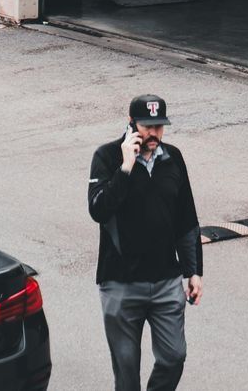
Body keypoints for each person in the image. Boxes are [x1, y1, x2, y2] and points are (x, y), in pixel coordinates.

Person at [87, 92, 204, 391]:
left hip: (166, 281)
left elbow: (186, 218)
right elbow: (98, 209)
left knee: (174, 357)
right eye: (147, 126)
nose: (154, 133)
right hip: (121, 284)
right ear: (131, 122)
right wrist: (126, 167)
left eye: (159, 126)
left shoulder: (173, 158)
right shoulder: (107, 156)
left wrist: (194, 271)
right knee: (127, 372)